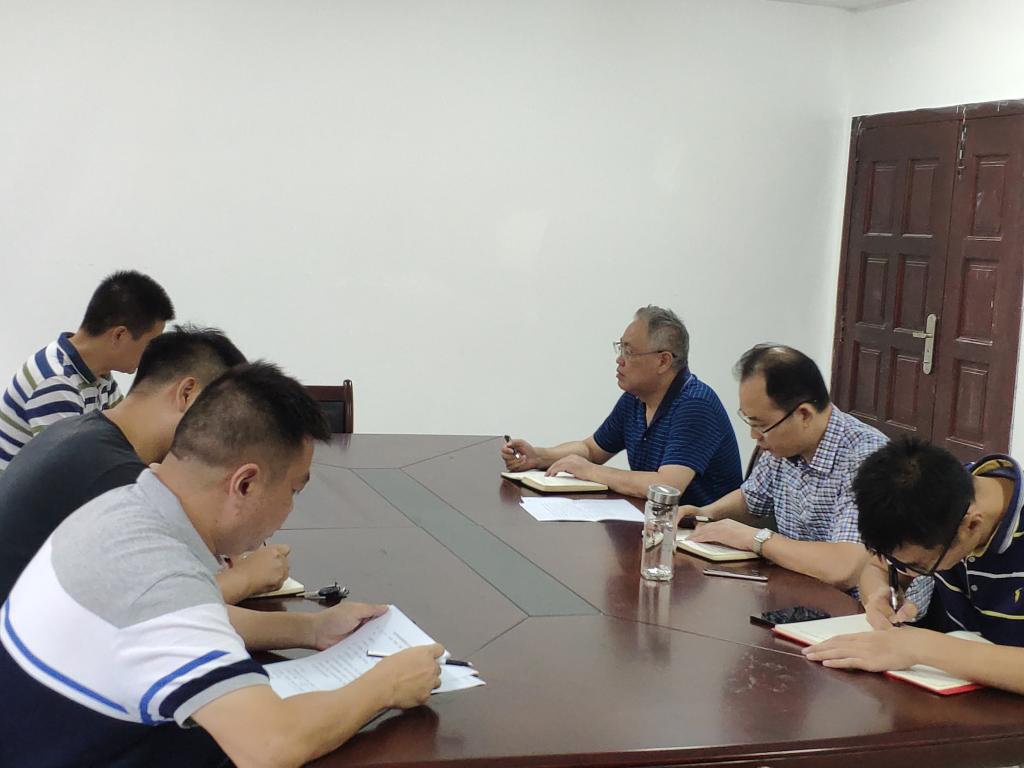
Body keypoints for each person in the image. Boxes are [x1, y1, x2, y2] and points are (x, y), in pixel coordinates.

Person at [0, 362, 443, 767]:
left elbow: (185, 619)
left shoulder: (122, 508)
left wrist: (312, 629)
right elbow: (270, 747)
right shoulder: (160, 578)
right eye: (293, 490)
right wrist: (385, 685)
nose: (290, 510)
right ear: (245, 484)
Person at [0, 324, 285, 603]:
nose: (226, 439)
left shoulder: (85, 435)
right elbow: (169, 605)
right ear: (187, 393)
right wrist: (246, 577)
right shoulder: (114, 474)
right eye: (224, 416)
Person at [686, 344, 929, 604]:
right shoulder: (782, 446)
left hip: (873, 610)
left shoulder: (867, 459)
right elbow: (752, 499)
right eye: (750, 421)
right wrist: (705, 513)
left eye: (761, 425)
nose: (754, 436)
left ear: (803, 415)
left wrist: (754, 539)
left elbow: (844, 569)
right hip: (802, 592)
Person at [803, 438, 1024, 696]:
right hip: (957, 694)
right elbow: (877, 567)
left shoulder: (949, 511)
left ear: (972, 526)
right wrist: (878, 594)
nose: (905, 570)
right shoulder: (935, 496)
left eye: (917, 566)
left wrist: (922, 647)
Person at [502, 305, 741, 503]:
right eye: (620, 348)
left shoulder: (695, 404)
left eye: (629, 352)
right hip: (657, 526)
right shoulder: (635, 399)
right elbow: (591, 450)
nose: (619, 360)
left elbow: (667, 486)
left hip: (702, 537)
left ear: (663, 361)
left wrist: (590, 471)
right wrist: (539, 456)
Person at [0, 270, 174, 472]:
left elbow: (126, 437)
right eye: (150, 343)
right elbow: (70, 471)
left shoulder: (99, 374)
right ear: (119, 335)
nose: (151, 353)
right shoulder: (55, 382)